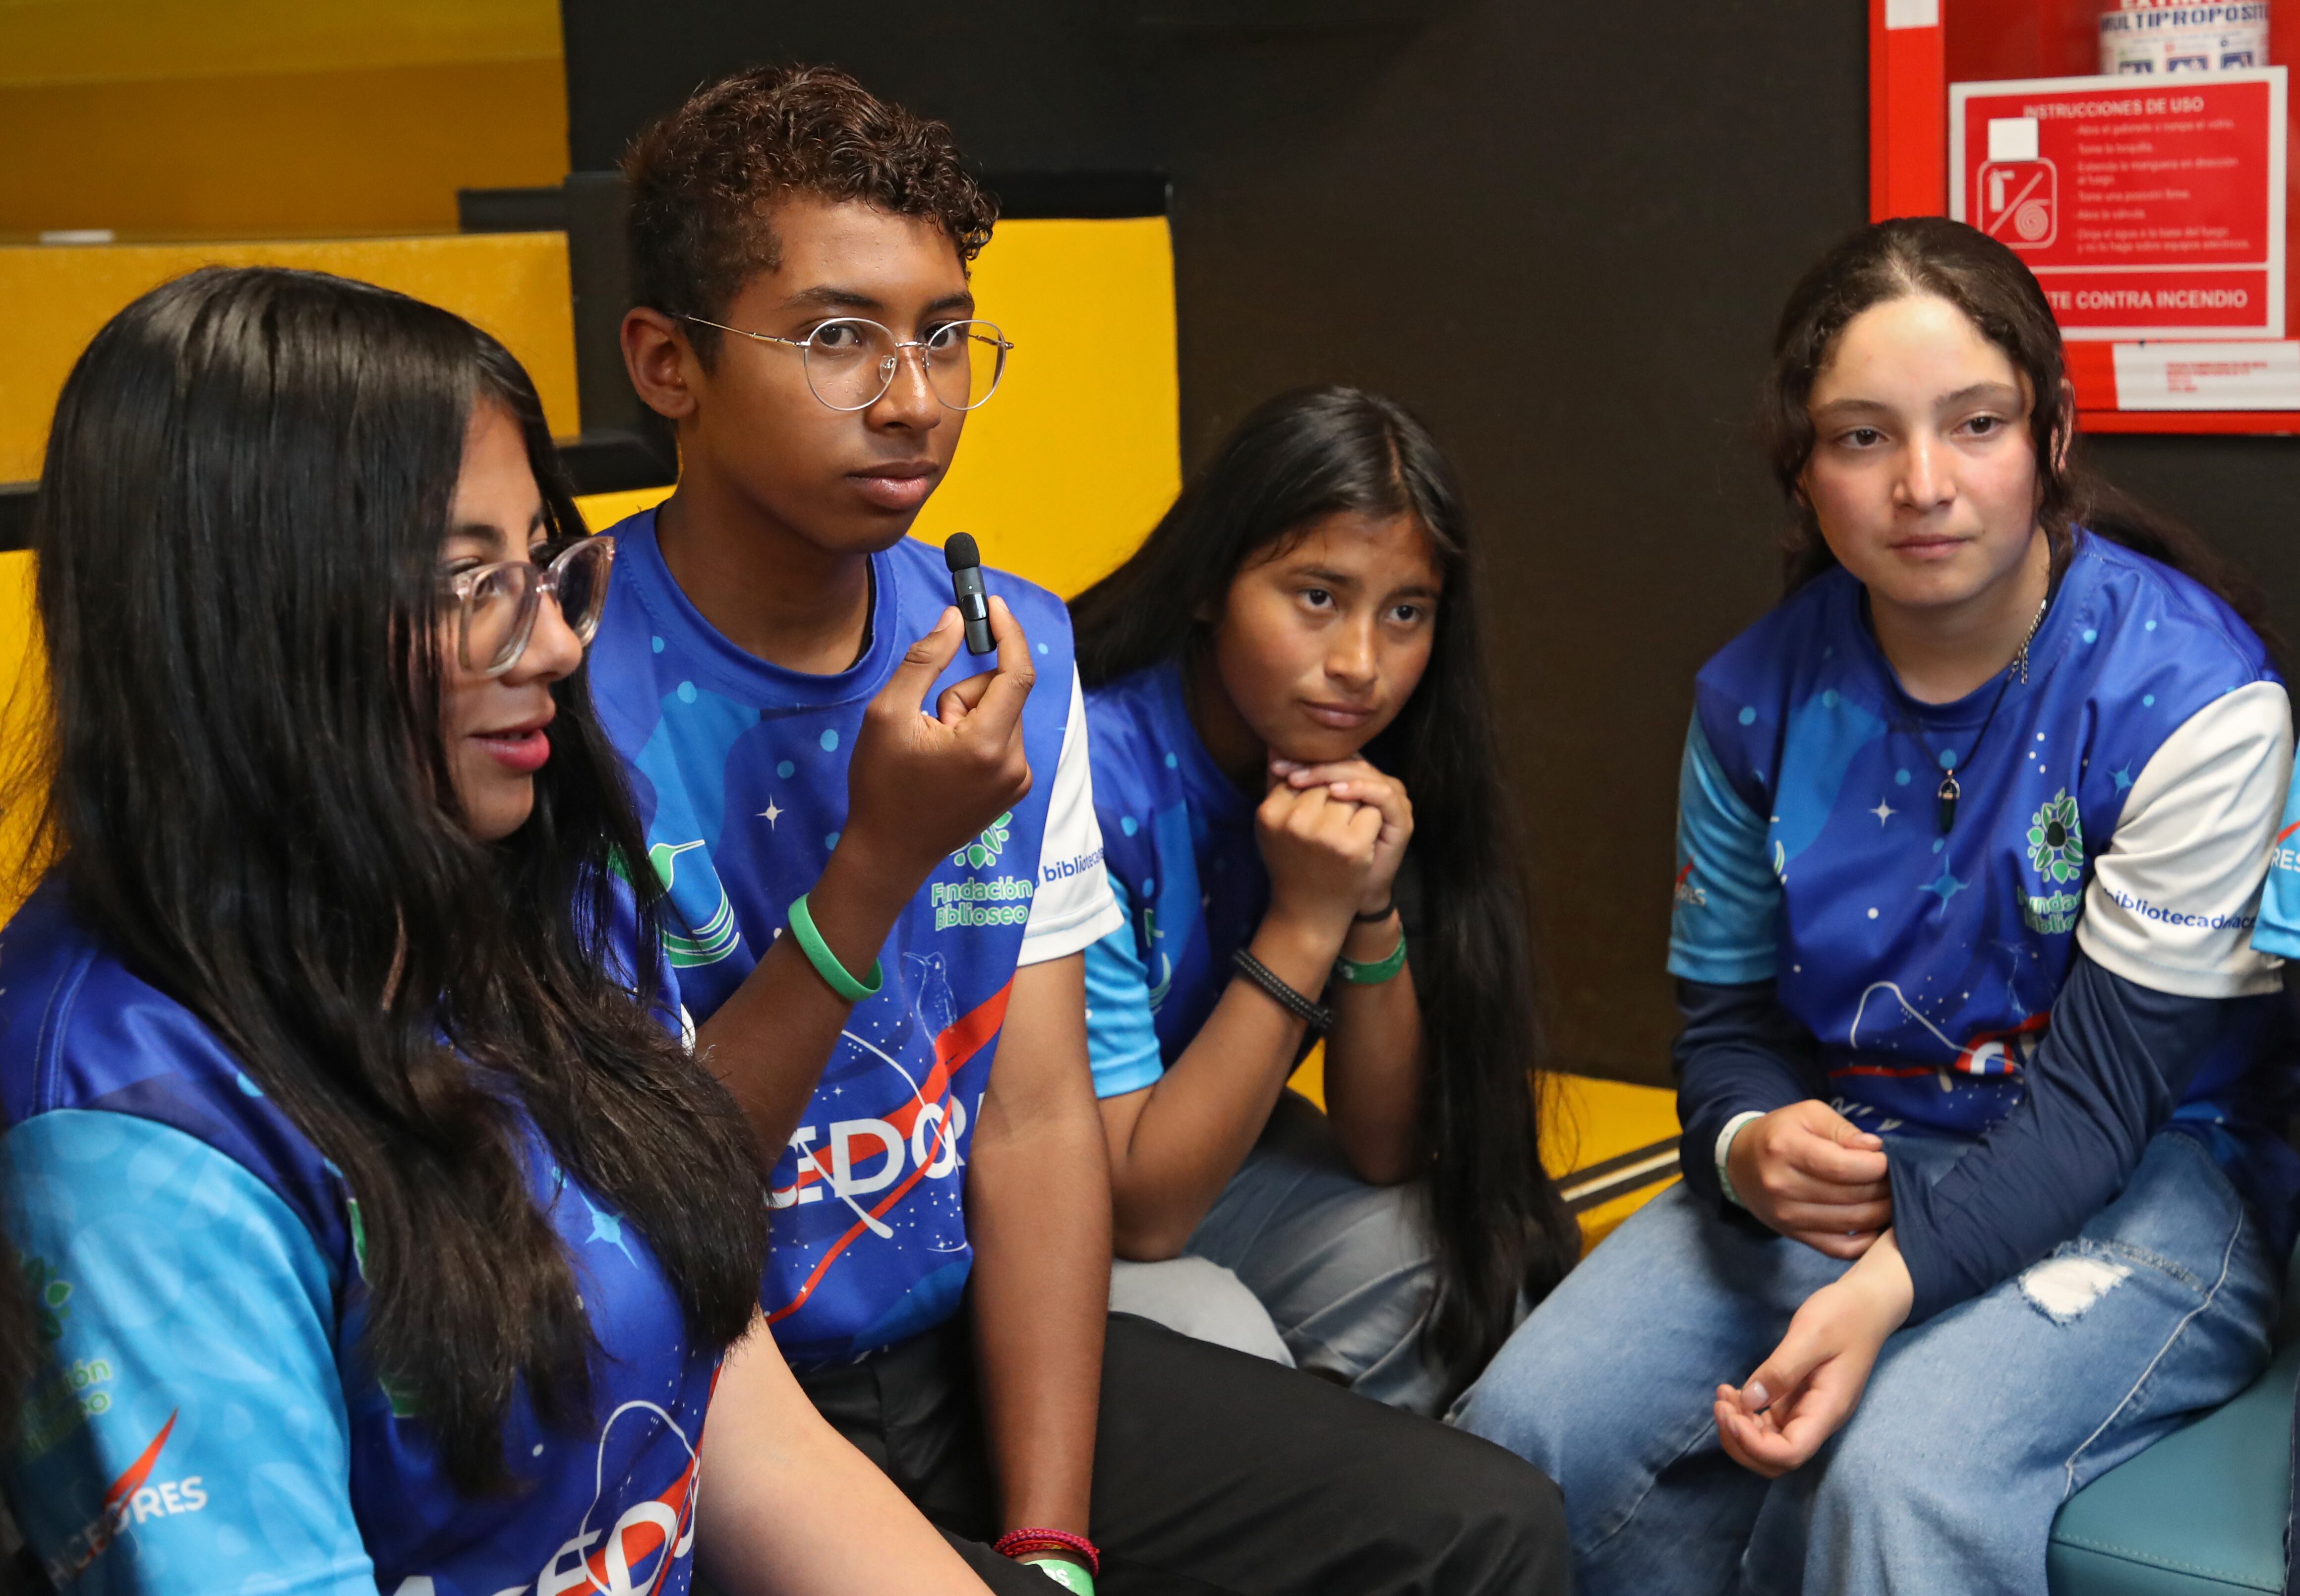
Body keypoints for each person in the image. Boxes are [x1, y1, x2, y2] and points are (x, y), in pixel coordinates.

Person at [594, 62, 1570, 1596]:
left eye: (941, 337)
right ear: (668, 363)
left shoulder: (1010, 646)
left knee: (1485, 1526)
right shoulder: (557, 685)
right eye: (838, 336)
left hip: (953, 1346)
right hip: (706, 1395)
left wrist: (1055, 1537)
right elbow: (636, 1205)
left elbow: (1040, 1118)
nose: (913, 396)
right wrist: (879, 861)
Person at [0, 265, 1007, 1595]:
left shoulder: (541, 865)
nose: (553, 642)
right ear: (248, 626)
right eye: (471, 579)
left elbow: (719, 1388)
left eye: (543, 561)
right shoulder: (128, 1121)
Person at [1452, 215, 2299, 1595]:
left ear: (2055, 437)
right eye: (1861, 437)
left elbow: (2100, 1107)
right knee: (1526, 1438)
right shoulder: (1752, 701)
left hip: (2150, 1178)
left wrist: (1880, 1295)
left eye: (1975, 424)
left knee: (1894, 1477)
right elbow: (1724, 1023)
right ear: (1800, 470)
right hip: (1861, 1161)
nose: (1923, 484)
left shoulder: (2193, 700)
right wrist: (1741, 1143)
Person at [1063, 386, 1577, 1414]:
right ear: (1212, 582)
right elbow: (1140, 1214)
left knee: (1453, 1263)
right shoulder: (1090, 780)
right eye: (1315, 595)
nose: (1359, 664)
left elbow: (1383, 1147)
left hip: (1200, 1159)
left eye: (1405, 613)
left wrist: (1368, 904)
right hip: (1025, 1205)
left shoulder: (1353, 771)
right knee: (1225, 1340)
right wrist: (1304, 921)